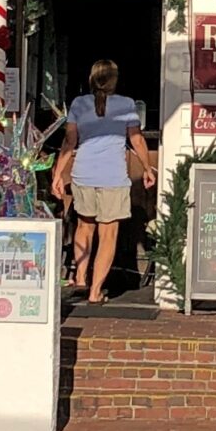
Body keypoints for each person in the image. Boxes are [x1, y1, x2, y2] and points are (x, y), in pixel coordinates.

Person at [51, 60, 155, 303]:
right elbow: (137, 140)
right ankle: (95, 291)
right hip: (113, 177)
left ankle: (80, 278)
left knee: (84, 227)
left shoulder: (79, 103)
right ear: (114, 80)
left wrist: (57, 174)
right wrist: (147, 168)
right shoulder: (126, 104)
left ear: (92, 79)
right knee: (108, 235)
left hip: (83, 174)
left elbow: (69, 141)